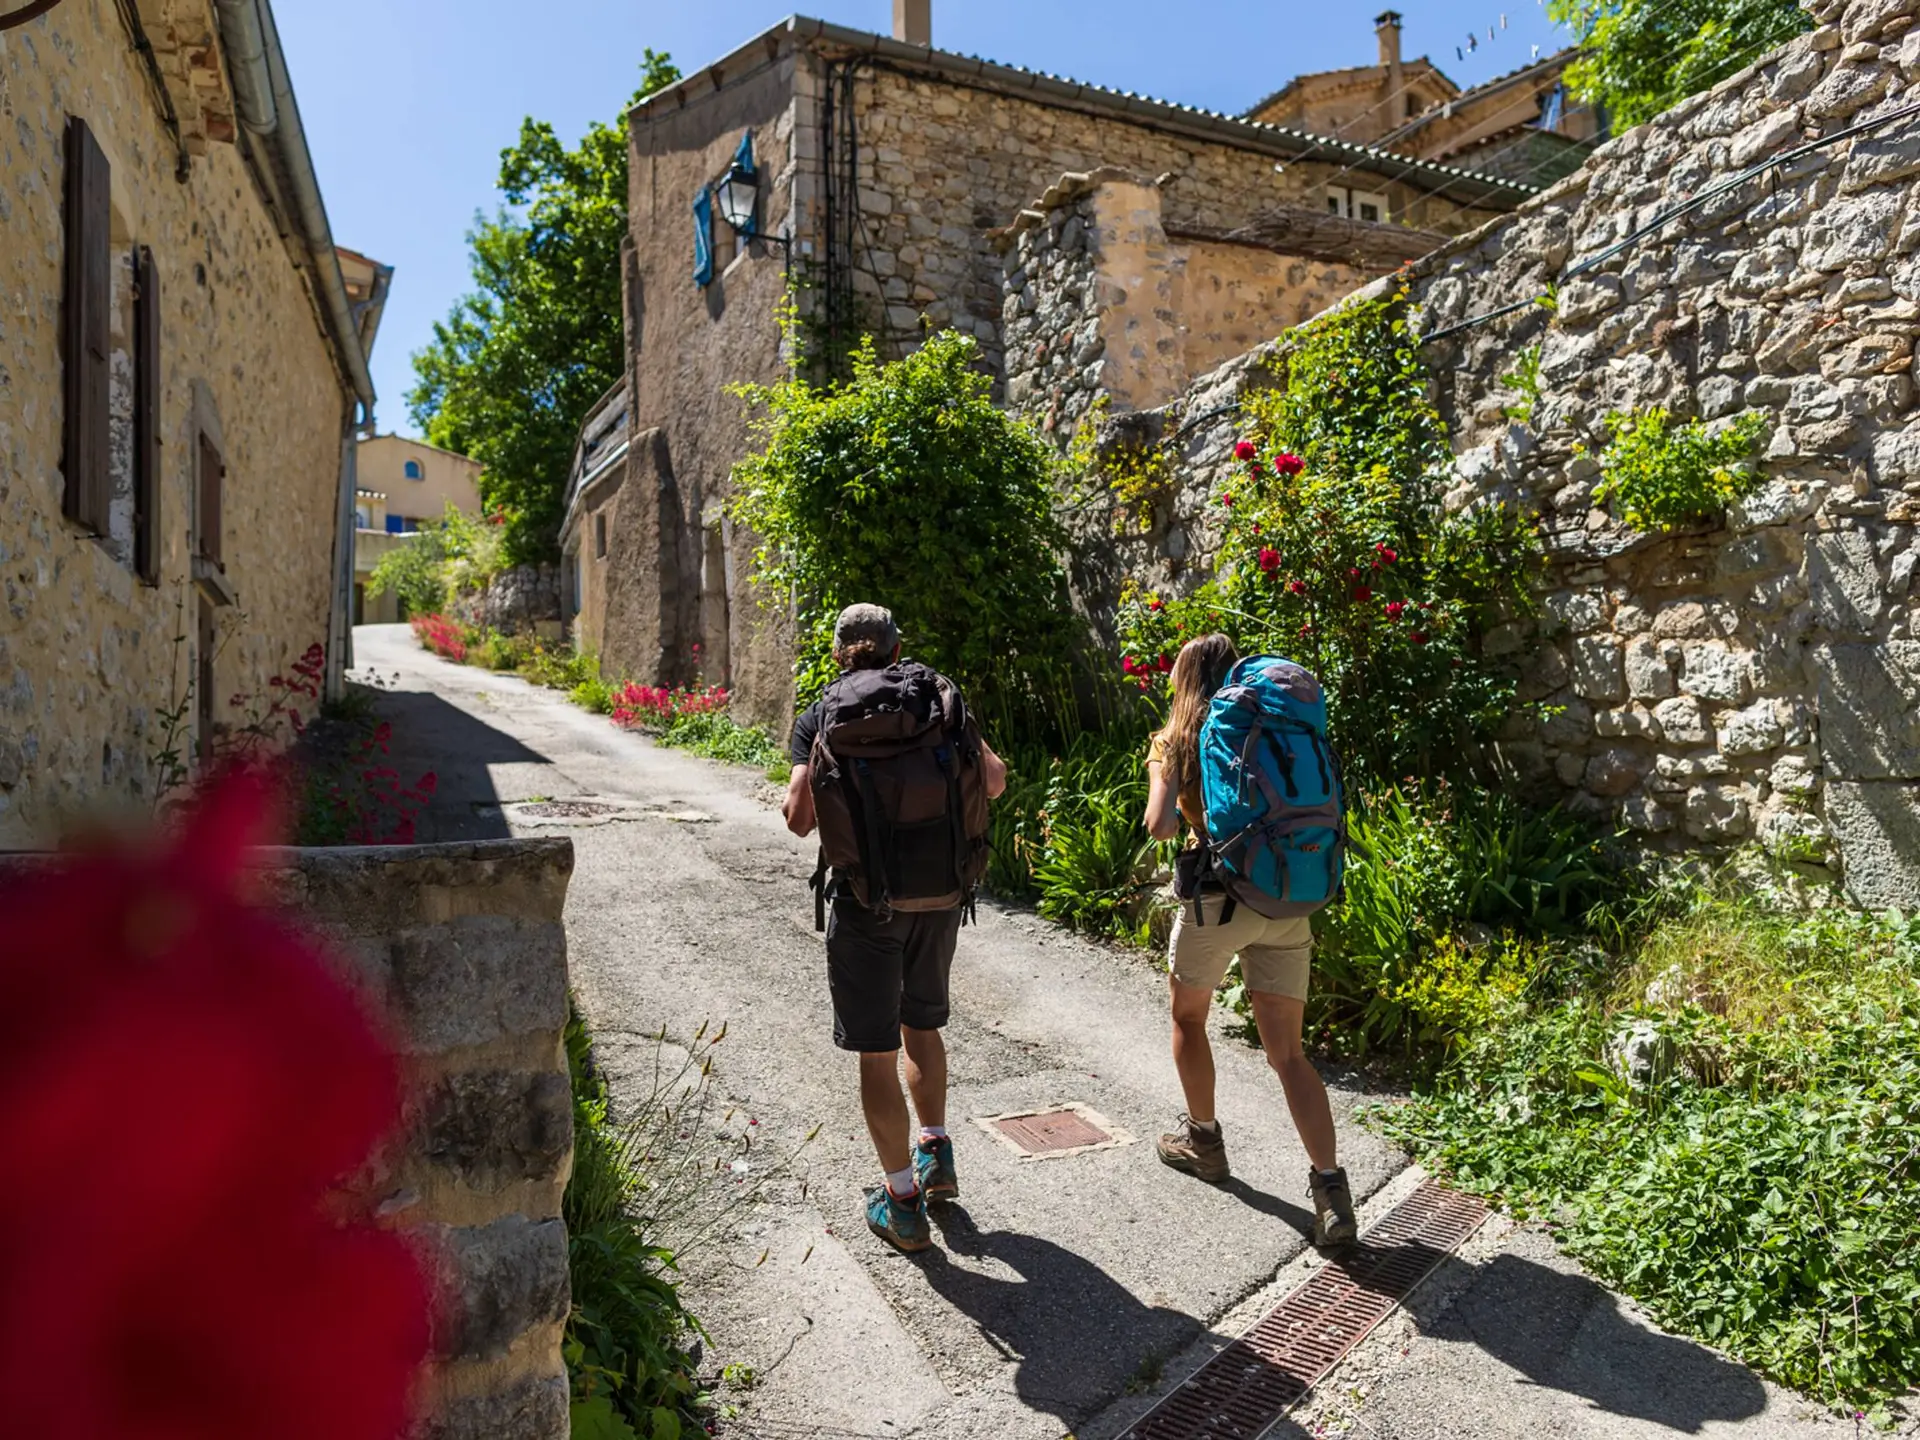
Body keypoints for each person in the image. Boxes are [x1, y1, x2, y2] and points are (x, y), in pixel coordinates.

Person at [784, 604, 1008, 1253]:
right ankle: (936, 1152)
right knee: (923, 1025)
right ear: (896, 646)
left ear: (837, 656)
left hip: (865, 905)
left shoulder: (822, 714)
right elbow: (991, 781)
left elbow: (799, 819)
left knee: (876, 1051)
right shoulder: (937, 696)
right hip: (940, 897)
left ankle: (902, 1202)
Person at [1142, 633, 1358, 1248]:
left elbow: (1159, 826)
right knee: (1288, 1055)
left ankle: (1203, 1141)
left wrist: (1175, 794)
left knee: (1188, 1018)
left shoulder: (1177, 738)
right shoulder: (1277, 723)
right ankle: (1331, 1188)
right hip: (1287, 895)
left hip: (1217, 901)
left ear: (1184, 680)